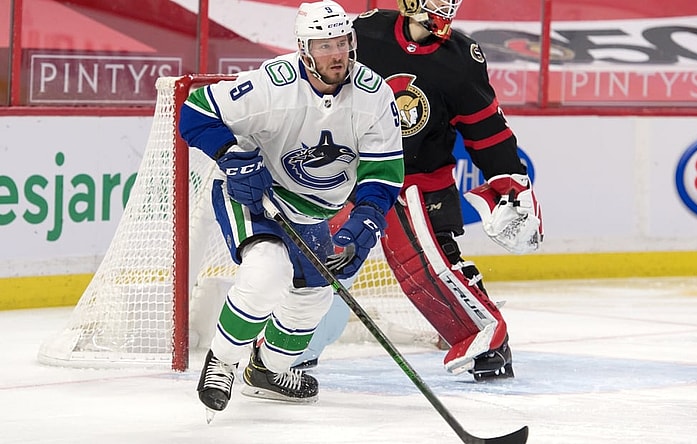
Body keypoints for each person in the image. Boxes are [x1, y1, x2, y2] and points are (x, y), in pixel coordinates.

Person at [291, 0, 544, 382]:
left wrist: (510, 179)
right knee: (320, 256)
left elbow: (487, 130)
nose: (447, 5)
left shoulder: (461, 58)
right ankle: (292, 348)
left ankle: (485, 340)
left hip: (419, 181)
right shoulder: (367, 32)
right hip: (355, 173)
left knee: (429, 268)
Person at [178, 0, 404, 416]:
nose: (337, 54)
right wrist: (231, 155)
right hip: (252, 194)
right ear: (304, 49)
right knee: (267, 272)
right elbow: (195, 113)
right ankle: (222, 362)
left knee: (314, 296)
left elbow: (383, 172)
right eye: (325, 45)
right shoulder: (272, 85)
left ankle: (267, 371)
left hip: (312, 208)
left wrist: (367, 219)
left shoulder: (374, 96)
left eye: (342, 42)